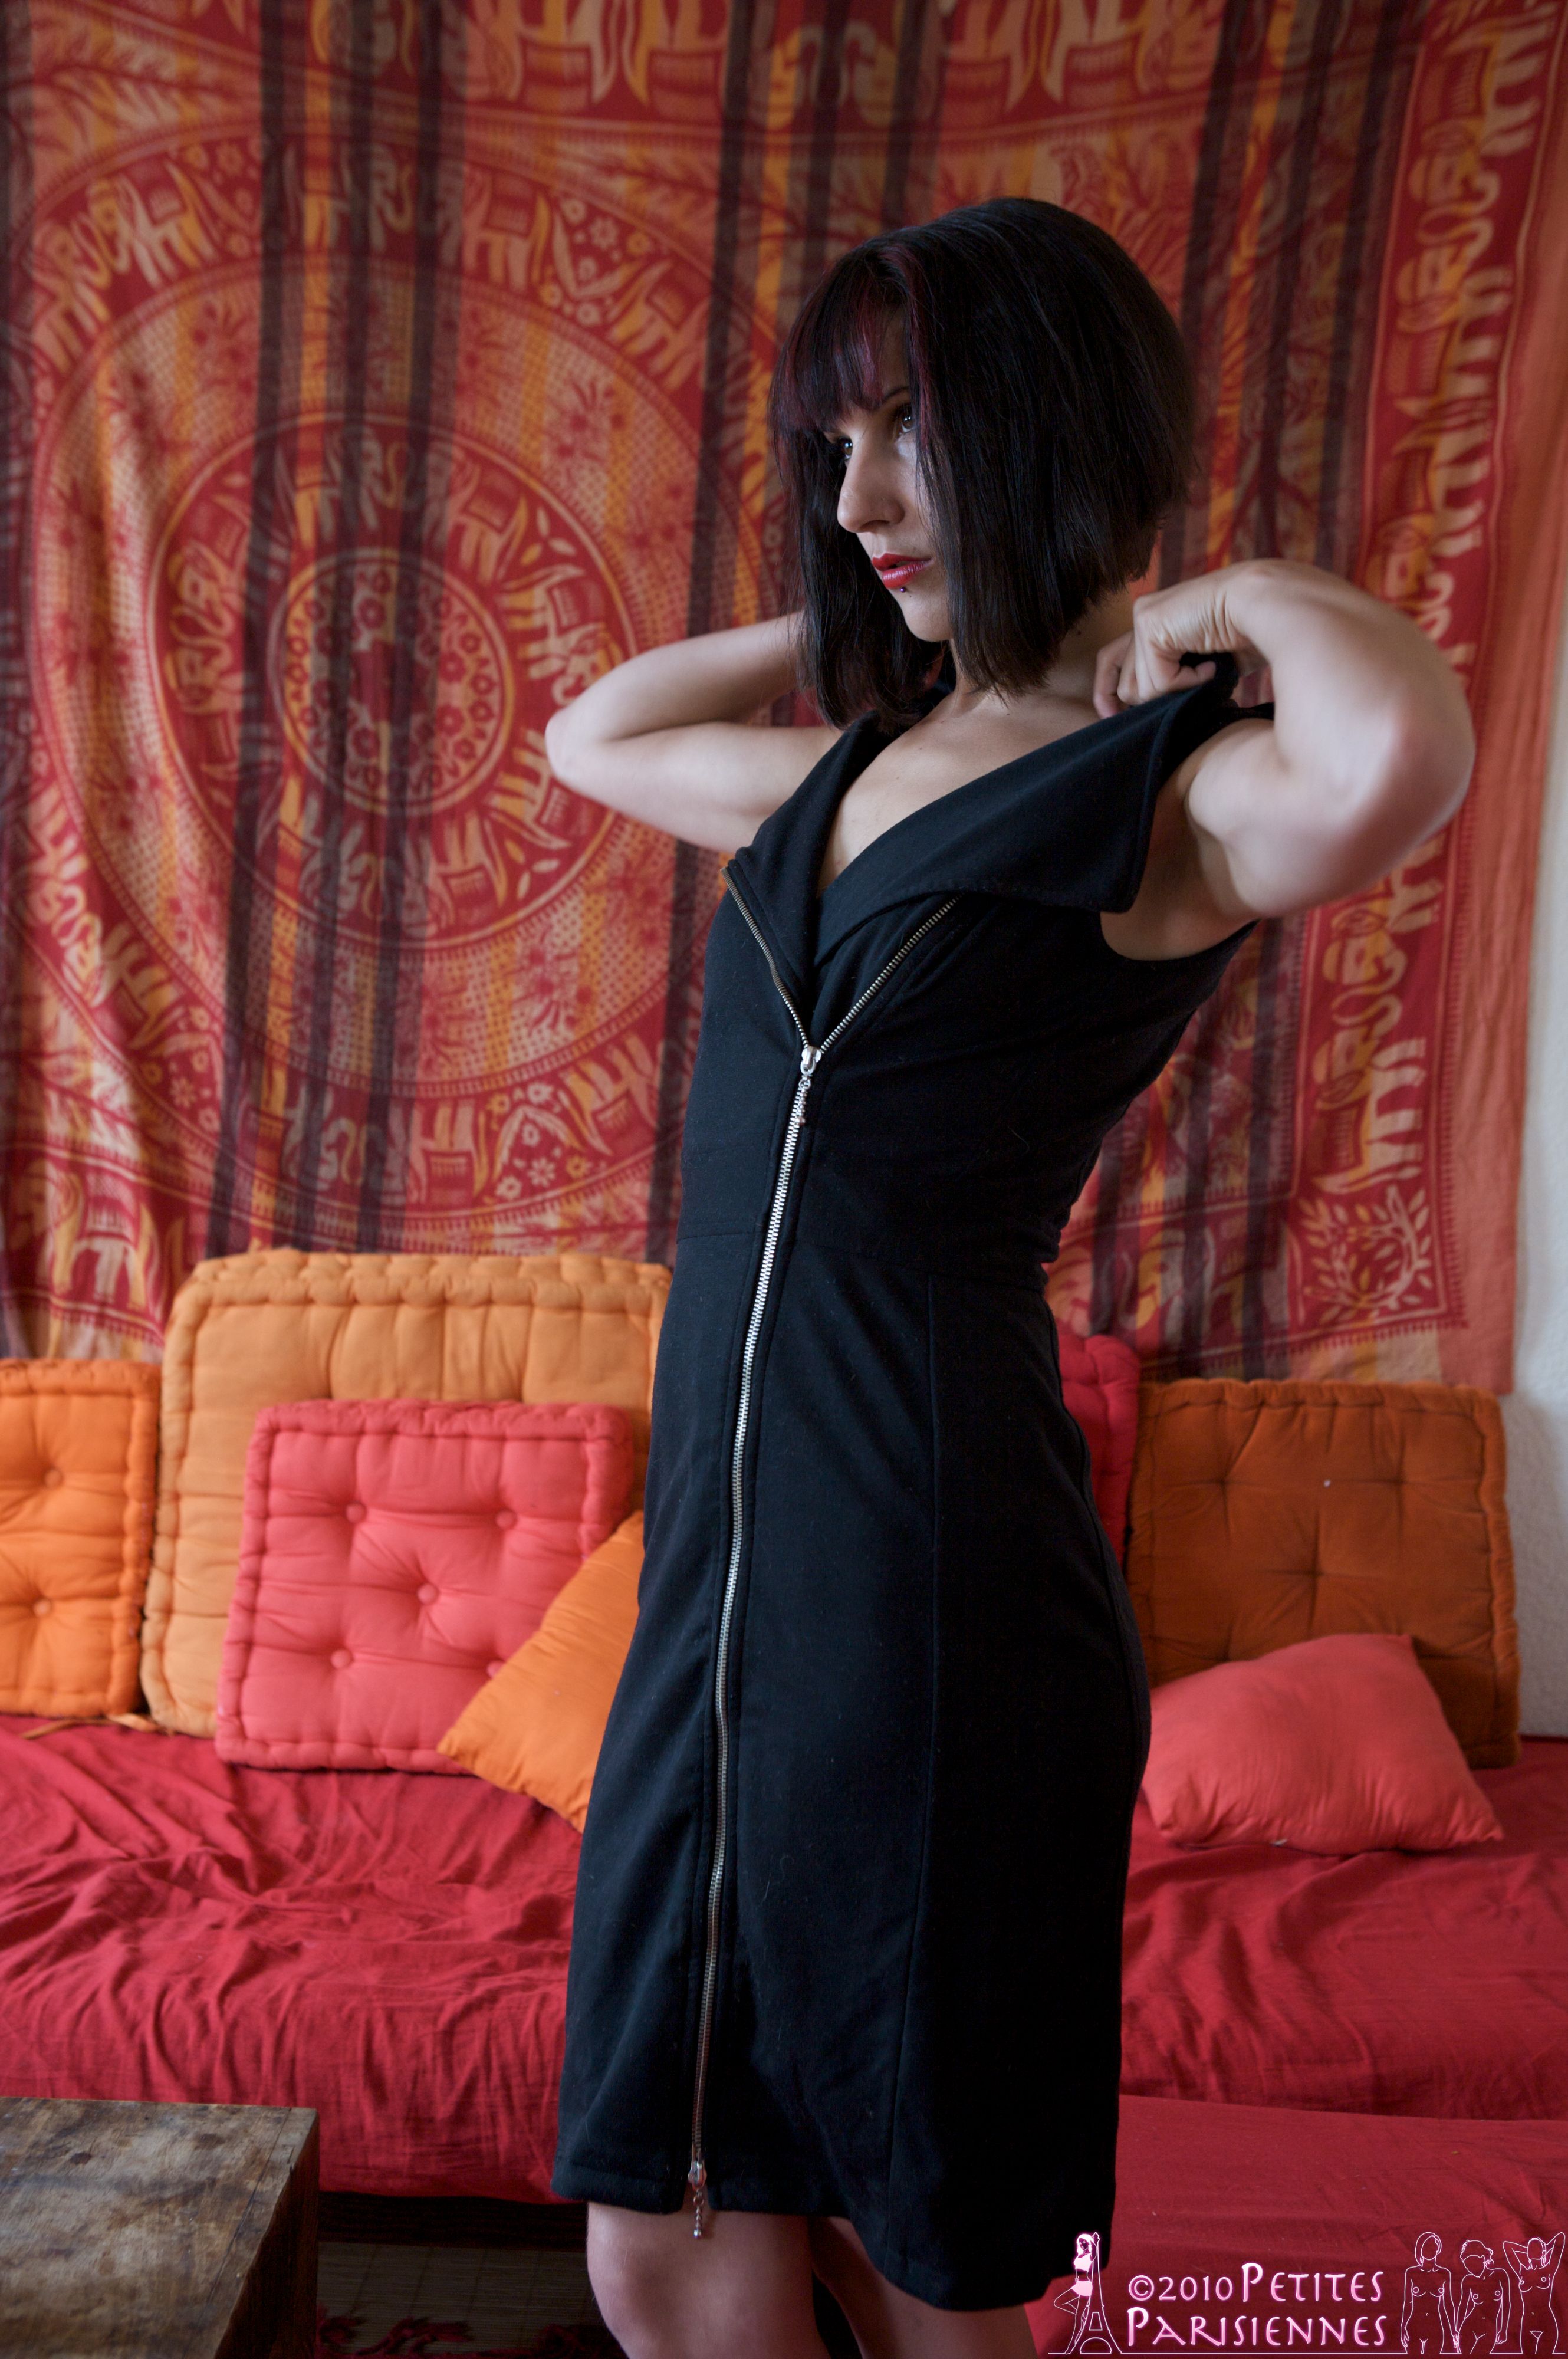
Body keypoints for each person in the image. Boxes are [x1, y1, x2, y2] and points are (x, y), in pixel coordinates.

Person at [543, 197, 1474, 2359]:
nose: (857, 499)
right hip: (718, 1584)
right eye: (833, 446)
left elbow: (1393, 751)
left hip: (928, 1588)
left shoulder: (1165, 804)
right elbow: (596, 734)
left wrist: (1204, 598)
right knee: (665, 2237)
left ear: (1061, 429)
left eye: (915, 433)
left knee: (925, 2248)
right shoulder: (844, 771)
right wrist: (852, 618)